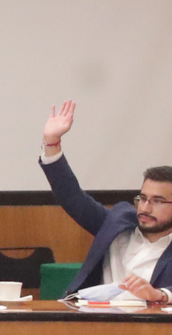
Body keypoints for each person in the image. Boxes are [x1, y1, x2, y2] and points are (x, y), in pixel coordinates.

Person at [39, 101, 172, 302]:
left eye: (157, 201)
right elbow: (72, 197)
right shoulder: (118, 223)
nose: (145, 208)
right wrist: (52, 143)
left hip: (147, 320)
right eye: (143, 198)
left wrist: (160, 295)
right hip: (95, 315)